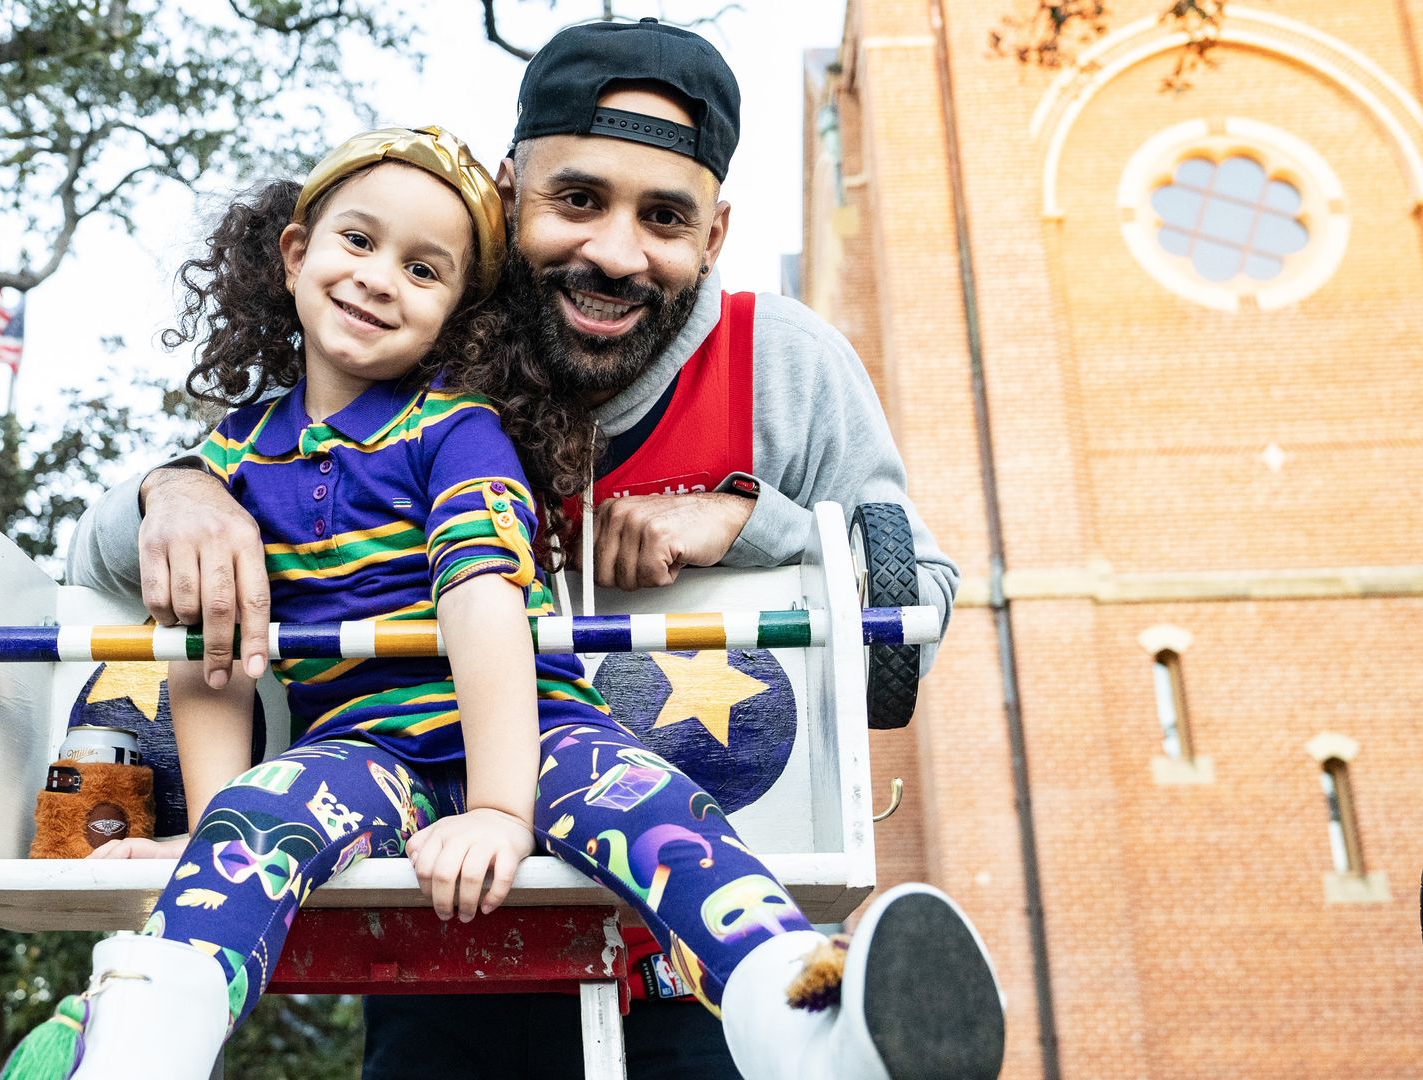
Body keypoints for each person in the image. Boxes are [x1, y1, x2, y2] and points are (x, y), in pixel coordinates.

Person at [66, 23, 1000, 1080]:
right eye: (578, 200)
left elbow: (909, 627)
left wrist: (749, 521)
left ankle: (810, 1022)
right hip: (439, 926)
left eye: (664, 217)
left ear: (716, 231)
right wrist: (177, 487)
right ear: (511, 194)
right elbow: (107, 561)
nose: (614, 251)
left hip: (672, 949)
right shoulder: (421, 330)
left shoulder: (776, 364)